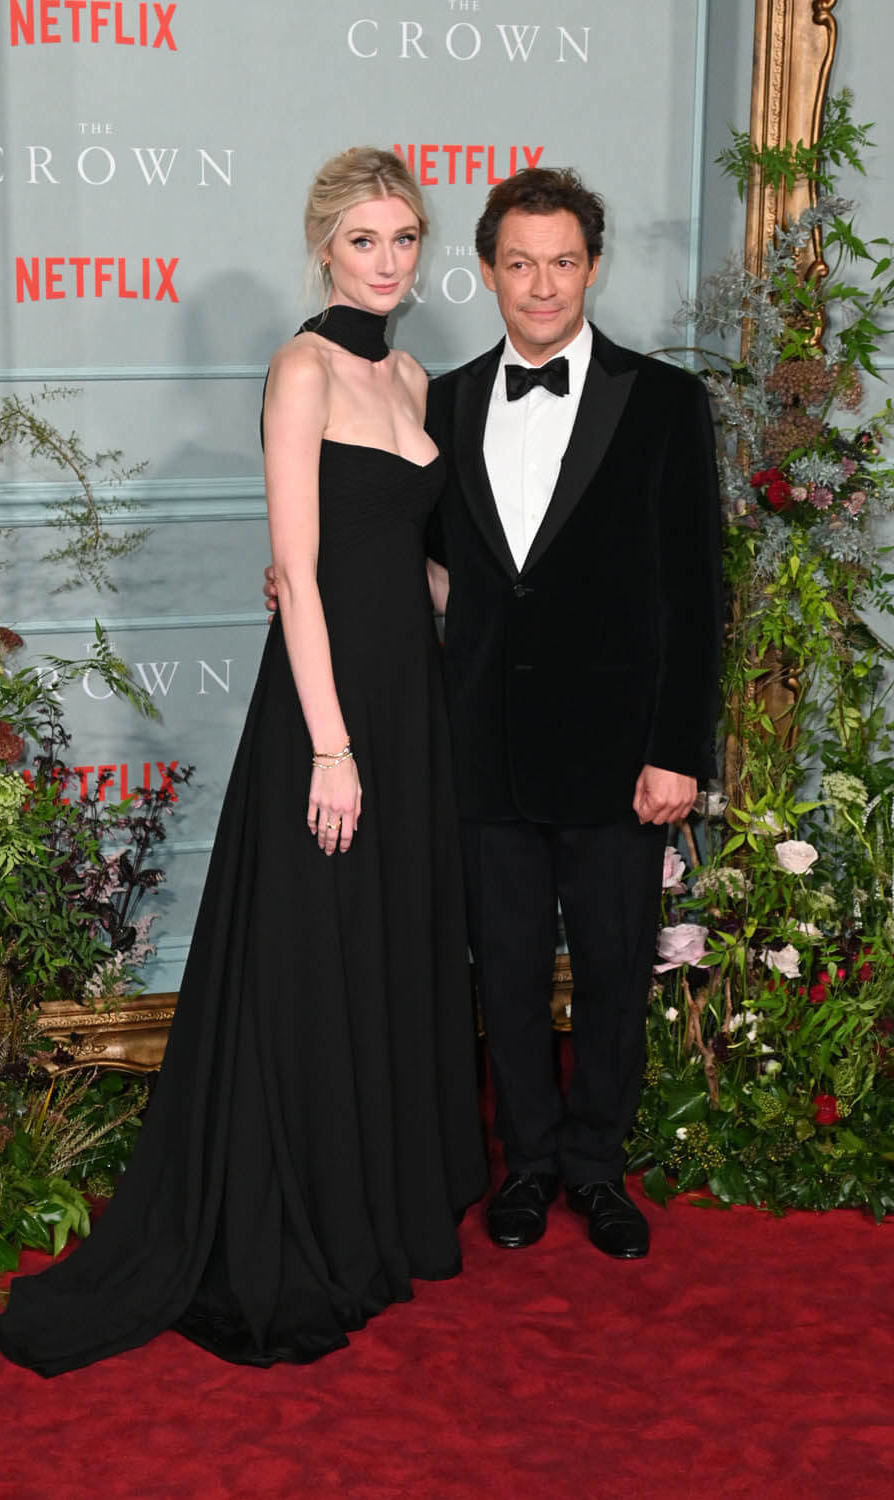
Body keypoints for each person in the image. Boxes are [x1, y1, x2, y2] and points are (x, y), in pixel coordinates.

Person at [0, 147, 487, 1375]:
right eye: (363, 240)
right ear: (323, 247)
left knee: (386, 937)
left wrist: (501, 608)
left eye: (404, 238)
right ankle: (302, 1208)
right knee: (312, 950)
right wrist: (330, 748)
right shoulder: (299, 369)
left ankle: (378, 1198)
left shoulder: (414, 377)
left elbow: (408, 563)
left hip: (408, 701)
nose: (386, 261)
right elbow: (300, 575)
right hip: (327, 710)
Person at [424, 168, 722, 1259]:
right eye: (520, 263)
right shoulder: (443, 403)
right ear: (487, 271)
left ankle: (597, 1167)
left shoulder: (664, 402)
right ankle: (528, 1164)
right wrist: (308, 574)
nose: (541, 285)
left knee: (611, 976)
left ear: (593, 266)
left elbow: (694, 592)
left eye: (561, 262)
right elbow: (420, 565)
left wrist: (676, 752)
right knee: (503, 979)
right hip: (482, 751)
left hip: (617, 759)